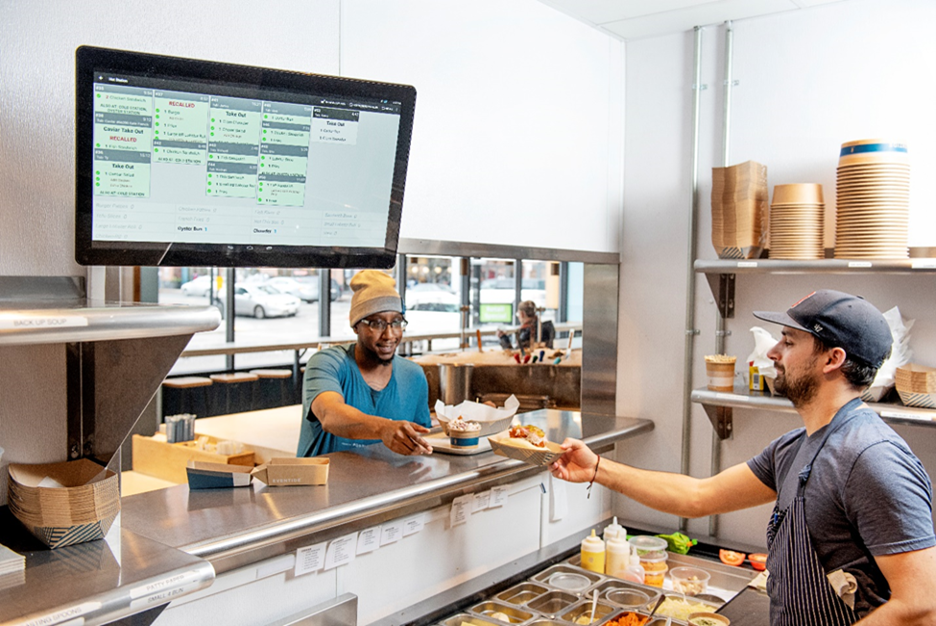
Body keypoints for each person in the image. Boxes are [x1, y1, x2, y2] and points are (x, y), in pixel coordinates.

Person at [551, 290, 936, 625]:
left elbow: (921, 607)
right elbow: (698, 497)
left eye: (788, 341)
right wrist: (598, 469)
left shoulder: (873, 459)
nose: (772, 352)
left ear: (832, 359)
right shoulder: (794, 447)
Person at [297, 270, 433, 457]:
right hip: (323, 483)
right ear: (356, 326)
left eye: (396, 322)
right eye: (376, 323)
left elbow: (419, 442)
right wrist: (383, 428)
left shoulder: (413, 375)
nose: (389, 335)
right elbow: (330, 415)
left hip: (386, 484)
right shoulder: (328, 363)